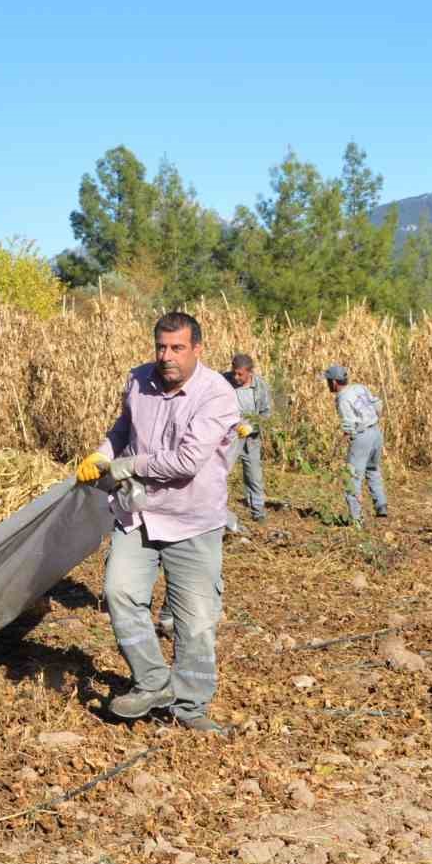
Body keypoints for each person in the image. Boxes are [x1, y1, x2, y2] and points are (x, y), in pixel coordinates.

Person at [76, 311, 239, 734]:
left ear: (197, 350)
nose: (166, 357)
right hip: (139, 514)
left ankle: (190, 707)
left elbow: (186, 462)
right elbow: (123, 429)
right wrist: (103, 454)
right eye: (161, 347)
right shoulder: (139, 380)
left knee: (196, 618)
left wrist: (127, 465)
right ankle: (152, 682)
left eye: (178, 348)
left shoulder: (217, 395)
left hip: (192, 519)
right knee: (119, 592)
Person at [325, 364, 387, 524]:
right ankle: (381, 506)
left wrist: (339, 446)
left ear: (333, 383)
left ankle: (356, 518)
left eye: (327, 381)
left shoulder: (342, 398)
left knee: (352, 477)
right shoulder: (360, 388)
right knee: (373, 469)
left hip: (362, 436)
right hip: (376, 433)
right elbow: (378, 405)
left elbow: (349, 426)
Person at [226, 353, 272, 522]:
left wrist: (252, 427)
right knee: (221, 472)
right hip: (229, 436)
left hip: (251, 438)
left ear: (249, 372)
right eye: (234, 373)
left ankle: (258, 512)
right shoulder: (223, 381)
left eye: (240, 374)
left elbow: (266, 414)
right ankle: (216, 510)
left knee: (254, 475)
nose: (235, 377)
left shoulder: (260, 387)